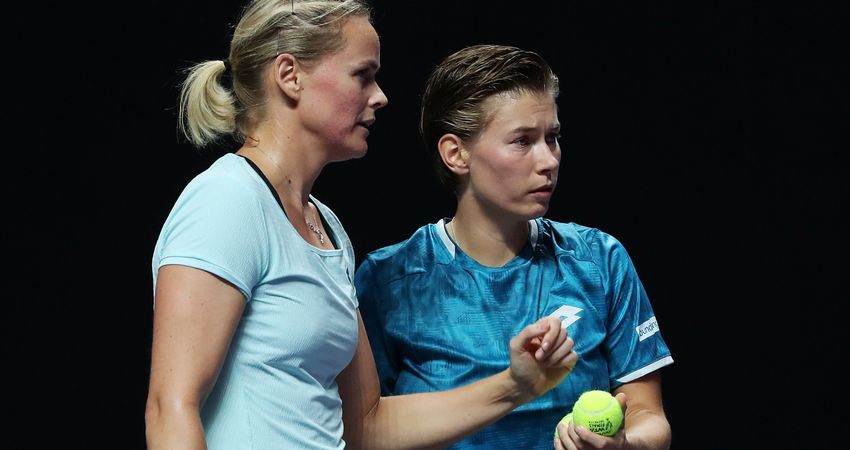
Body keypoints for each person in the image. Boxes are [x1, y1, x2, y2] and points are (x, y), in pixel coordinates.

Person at [144, 2, 579, 449]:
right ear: (290, 76)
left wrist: (517, 385)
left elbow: (369, 424)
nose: (380, 96)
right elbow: (171, 409)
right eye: (362, 75)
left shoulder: (326, 225)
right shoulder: (226, 199)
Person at [354, 44, 674, 450]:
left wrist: (627, 445)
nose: (549, 161)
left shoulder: (601, 260)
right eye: (523, 141)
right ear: (456, 154)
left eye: (552, 138)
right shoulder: (387, 280)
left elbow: (648, 415)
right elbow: (365, 428)